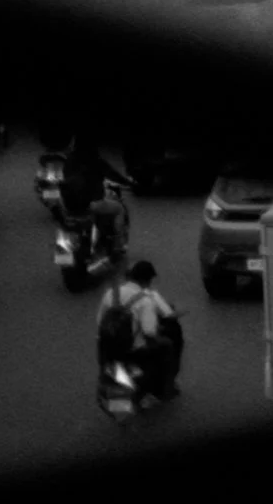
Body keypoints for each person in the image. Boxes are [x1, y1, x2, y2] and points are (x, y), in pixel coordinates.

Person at [97, 259, 181, 401]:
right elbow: (149, 332)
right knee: (167, 345)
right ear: (147, 280)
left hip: (107, 348)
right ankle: (165, 390)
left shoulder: (110, 293)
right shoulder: (145, 300)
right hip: (134, 351)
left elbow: (100, 321)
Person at [58, 139, 131, 259]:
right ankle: (118, 244)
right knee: (119, 209)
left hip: (68, 205)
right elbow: (113, 175)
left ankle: (65, 254)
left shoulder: (70, 160)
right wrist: (128, 183)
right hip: (91, 204)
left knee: (65, 223)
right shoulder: (96, 161)